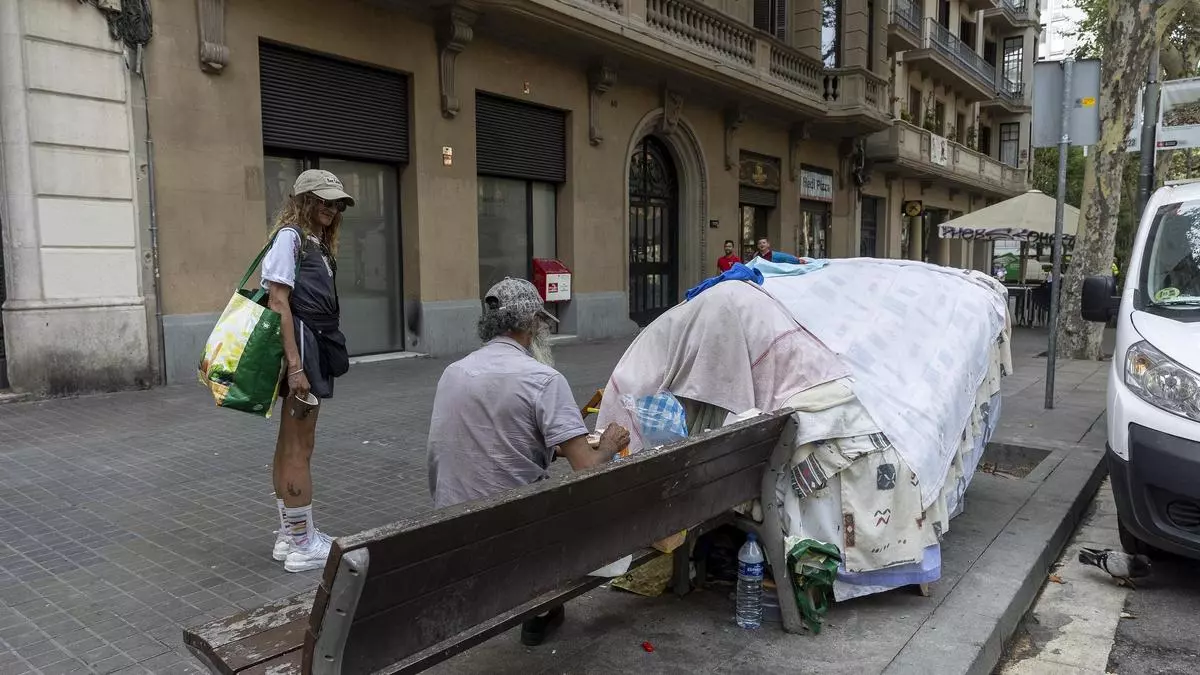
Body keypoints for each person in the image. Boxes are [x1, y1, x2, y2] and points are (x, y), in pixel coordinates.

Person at [427, 277, 631, 645]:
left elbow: (488, 440)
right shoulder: (543, 378)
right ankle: (540, 609)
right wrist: (612, 443)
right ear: (531, 324)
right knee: (606, 507)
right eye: (540, 323)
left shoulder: (453, 372)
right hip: (510, 538)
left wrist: (549, 444)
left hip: (450, 527)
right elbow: (586, 467)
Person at [264, 169, 354, 573]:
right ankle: (302, 543)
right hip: (304, 346)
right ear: (303, 200)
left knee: (290, 440)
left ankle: (289, 535)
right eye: (323, 200)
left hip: (309, 343)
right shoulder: (291, 238)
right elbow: (278, 302)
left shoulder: (310, 241)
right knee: (300, 443)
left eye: (336, 203)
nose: (331, 209)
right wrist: (296, 365)